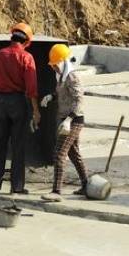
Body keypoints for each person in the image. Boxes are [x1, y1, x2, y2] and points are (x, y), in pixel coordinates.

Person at [0, 22, 41, 194]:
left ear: (11, 38)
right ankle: (17, 187)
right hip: (17, 102)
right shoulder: (26, 58)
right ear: (27, 42)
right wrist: (36, 111)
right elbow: (31, 89)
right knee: (18, 145)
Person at [41, 44, 88, 202]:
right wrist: (51, 97)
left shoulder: (72, 76)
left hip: (73, 121)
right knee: (74, 154)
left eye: (55, 64)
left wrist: (69, 119)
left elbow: (79, 100)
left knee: (59, 154)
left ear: (62, 62)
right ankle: (86, 185)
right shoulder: (61, 76)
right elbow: (61, 92)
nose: (53, 67)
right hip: (65, 119)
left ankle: (56, 192)